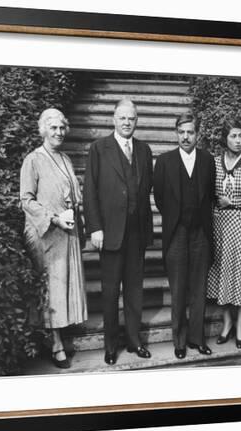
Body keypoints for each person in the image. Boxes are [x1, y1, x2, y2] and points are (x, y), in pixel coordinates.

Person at [83, 99, 154, 365]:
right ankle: (111, 345)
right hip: (110, 233)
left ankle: (135, 341)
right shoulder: (99, 149)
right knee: (111, 292)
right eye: (122, 118)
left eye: (131, 118)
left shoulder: (145, 150)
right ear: (113, 119)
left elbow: (146, 191)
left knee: (135, 291)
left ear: (137, 121)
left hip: (136, 233)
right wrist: (95, 228)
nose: (127, 122)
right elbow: (89, 191)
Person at [20, 108, 88, 369]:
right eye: (53, 128)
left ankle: (61, 332)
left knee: (64, 286)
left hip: (67, 230)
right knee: (52, 288)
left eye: (62, 128)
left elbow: (74, 194)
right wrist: (54, 218)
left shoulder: (66, 159)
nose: (59, 132)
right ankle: (56, 343)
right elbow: (26, 199)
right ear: (43, 130)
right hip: (46, 231)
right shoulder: (33, 160)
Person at [153, 113, 215, 359]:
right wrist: (175, 218)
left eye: (190, 132)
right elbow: (159, 197)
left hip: (200, 232)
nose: (186, 137)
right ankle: (179, 341)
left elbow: (209, 194)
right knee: (178, 289)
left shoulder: (208, 160)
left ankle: (196, 339)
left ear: (197, 134)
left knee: (198, 289)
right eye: (181, 132)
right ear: (176, 134)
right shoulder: (165, 161)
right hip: (176, 232)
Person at [207, 119, 241, 349]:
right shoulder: (215, 163)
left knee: (238, 275)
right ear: (225, 138)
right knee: (221, 274)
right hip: (218, 225)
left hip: (239, 225)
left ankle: (240, 326)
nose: (238, 141)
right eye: (233, 136)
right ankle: (226, 324)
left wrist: (233, 202)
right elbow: (208, 192)